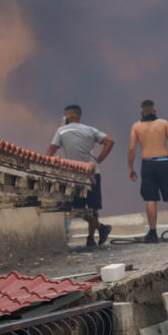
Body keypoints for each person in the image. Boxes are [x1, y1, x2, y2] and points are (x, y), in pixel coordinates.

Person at [46, 105, 115, 247]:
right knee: (93, 207)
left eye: (65, 116)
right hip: (93, 173)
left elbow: (53, 148)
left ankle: (96, 233)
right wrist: (100, 159)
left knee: (78, 208)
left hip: (75, 175)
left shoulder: (62, 130)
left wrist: (45, 162)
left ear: (69, 116)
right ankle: (96, 233)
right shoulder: (90, 130)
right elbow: (110, 141)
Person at [127, 100, 168, 243]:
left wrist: (130, 167)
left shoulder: (136, 126)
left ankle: (152, 233)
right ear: (155, 111)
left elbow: (132, 149)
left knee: (150, 198)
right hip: (164, 163)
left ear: (141, 112)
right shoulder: (164, 124)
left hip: (147, 164)